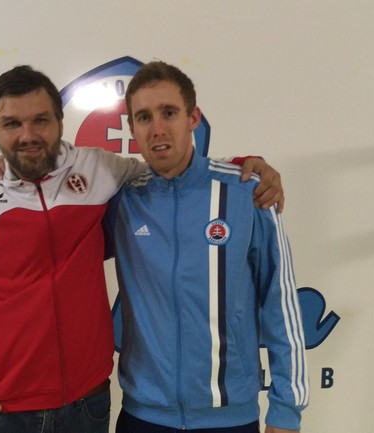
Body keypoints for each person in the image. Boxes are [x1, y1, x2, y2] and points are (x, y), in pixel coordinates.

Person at [0, 65, 285, 433]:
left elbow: (170, 170)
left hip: (87, 405)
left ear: (59, 123)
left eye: (40, 120)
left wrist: (245, 169)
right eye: (12, 124)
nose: (27, 135)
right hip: (0, 409)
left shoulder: (99, 169)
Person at [103, 61, 308, 433]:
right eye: (144, 117)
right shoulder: (121, 201)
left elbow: (280, 301)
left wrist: (287, 409)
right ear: (132, 128)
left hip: (230, 417)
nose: (157, 128)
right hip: (143, 417)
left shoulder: (247, 193)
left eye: (169, 113)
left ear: (193, 118)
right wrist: (2, 174)